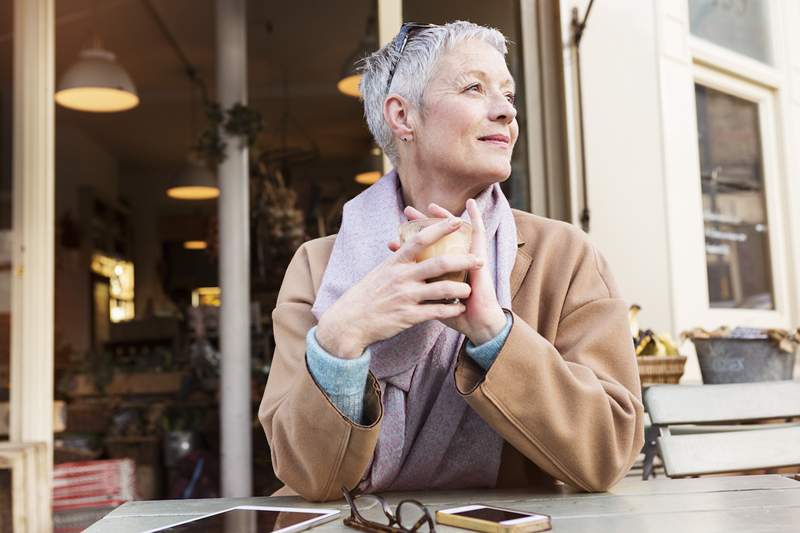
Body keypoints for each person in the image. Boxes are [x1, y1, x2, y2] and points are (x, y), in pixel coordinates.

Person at [259, 20, 644, 502]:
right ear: (403, 117)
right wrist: (341, 338)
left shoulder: (564, 257)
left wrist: (494, 334)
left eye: (509, 94)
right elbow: (307, 476)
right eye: (474, 88)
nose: (506, 111)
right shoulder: (319, 268)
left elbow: (607, 454)